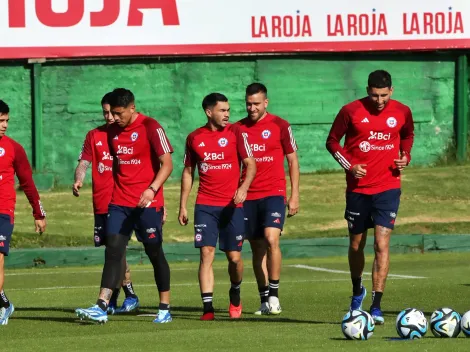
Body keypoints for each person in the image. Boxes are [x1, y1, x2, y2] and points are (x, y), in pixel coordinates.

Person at [75, 88, 173, 324]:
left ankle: (164, 308)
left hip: (147, 203)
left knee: (154, 252)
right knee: (114, 251)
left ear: (132, 108)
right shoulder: (111, 132)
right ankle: (101, 305)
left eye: (119, 113)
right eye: (112, 113)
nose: (114, 118)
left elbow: (167, 164)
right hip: (119, 202)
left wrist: (152, 191)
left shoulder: (151, 127)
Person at [325, 70, 414, 324]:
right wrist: (349, 165)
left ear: (391, 91)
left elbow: (407, 135)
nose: (379, 100)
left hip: (388, 186)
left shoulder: (402, 111)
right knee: (356, 245)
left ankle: (376, 305)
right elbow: (332, 142)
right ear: (367, 90)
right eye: (374, 95)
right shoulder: (350, 111)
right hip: (358, 189)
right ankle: (357, 291)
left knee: (382, 244)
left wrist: (405, 155)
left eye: (384, 95)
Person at [178, 93, 256, 320]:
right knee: (206, 253)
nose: (227, 114)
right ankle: (208, 308)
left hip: (232, 206)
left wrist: (244, 187)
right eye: (222, 110)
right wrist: (183, 205)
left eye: (228, 110)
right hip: (205, 205)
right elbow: (187, 173)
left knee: (234, 258)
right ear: (208, 112)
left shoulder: (236, 133)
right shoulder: (194, 138)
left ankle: (236, 290)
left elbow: (250, 165)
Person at [72, 92, 140, 314]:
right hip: (101, 202)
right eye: (105, 112)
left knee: (115, 250)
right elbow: (84, 162)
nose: (109, 116)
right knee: (113, 251)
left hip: (122, 202)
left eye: (112, 112)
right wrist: (79, 179)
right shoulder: (94, 135)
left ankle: (115, 297)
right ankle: (122, 295)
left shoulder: (129, 135)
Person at [236, 83, 300, 315]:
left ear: (266, 102)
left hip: (274, 192)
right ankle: (264, 299)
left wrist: (294, 195)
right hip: (248, 197)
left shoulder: (280, 125)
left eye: (256, 104)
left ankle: (274, 295)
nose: (252, 108)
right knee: (257, 249)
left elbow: (292, 160)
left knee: (272, 238)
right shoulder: (237, 128)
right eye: (248, 104)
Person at [0, 99, 47, 325]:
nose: (4, 125)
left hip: (3, 211)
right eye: (1, 120)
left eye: (7, 120)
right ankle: (5, 304)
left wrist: (38, 213)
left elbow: (27, 182)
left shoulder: (14, 148)